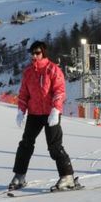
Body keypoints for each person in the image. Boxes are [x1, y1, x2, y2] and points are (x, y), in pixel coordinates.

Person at [8, 41, 77, 192]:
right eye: (32, 53)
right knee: (25, 144)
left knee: (54, 146)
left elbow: (59, 91)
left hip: (50, 113)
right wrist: (21, 111)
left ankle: (67, 176)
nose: (34, 56)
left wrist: (55, 110)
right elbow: (24, 94)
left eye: (37, 52)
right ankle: (19, 175)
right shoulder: (28, 72)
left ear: (43, 53)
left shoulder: (53, 69)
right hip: (34, 113)